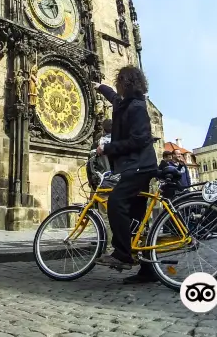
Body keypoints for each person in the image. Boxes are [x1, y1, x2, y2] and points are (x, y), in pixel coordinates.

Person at [92, 66, 159, 283]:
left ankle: (123, 253)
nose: (118, 85)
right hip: (135, 166)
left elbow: (139, 140)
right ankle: (149, 270)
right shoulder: (126, 102)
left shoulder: (138, 107)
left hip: (139, 167)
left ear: (126, 83)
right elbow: (113, 97)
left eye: (119, 81)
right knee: (139, 220)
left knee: (116, 203)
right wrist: (100, 87)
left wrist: (109, 148)